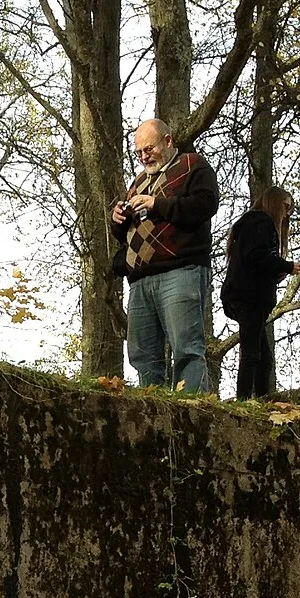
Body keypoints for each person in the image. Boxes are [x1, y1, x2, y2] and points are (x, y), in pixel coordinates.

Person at [111, 118, 220, 393]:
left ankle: (191, 413)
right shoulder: (138, 182)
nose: (145, 156)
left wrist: (157, 204)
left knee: (186, 348)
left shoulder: (193, 165)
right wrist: (119, 220)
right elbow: (130, 231)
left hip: (180, 270)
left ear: (168, 141)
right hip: (139, 279)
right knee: (143, 356)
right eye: (139, 153)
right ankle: (154, 415)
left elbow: (205, 205)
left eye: (149, 149)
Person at [220, 187, 297, 399]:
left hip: (246, 295)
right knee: (252, 354)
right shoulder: (261, 223)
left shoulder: (251, 226)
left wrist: (276, 271)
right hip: (249, 297)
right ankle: (244, 399)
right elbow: (256, 256)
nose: (287, 213)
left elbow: (253, 261)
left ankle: (263, 400)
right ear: (275, 202)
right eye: (285, 206)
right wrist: (287, 266)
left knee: (263, 357)